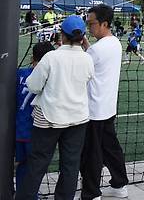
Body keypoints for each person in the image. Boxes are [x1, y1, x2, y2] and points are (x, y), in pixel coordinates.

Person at [16, 15, 95, 200]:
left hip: (49, 118)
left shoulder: (52, 57)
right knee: (70, 166)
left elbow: (34, 86)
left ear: (62, 36)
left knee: (37, 165)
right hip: (78, 119)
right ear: (82, 37)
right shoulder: (87, 59)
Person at [80, 4, 131, 200]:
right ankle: (119, 185)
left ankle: (92, 193)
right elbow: (95, 57)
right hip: (107, 107)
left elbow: (81, 67)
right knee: (111, 149)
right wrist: (86, 45)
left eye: (91, 23)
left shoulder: (97, 50)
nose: (89, 27)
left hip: (93, 110)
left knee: (91, 154)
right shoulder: (114, 43)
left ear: (105, 24)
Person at [15, 42, 54, 195]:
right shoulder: (49, 78)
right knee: (36, 167)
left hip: (18, 130)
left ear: (32, 57)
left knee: (22, 165)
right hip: (37, 132)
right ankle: (31, 195)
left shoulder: (19, 73)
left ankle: (20, 194)